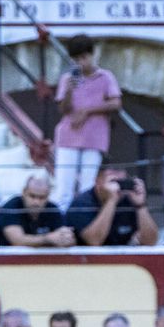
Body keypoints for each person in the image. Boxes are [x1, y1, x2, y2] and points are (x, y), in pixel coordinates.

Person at [53, 34, 121, 204]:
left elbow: (116, 103)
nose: (80, 63)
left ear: (92, 55)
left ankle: (84, 225)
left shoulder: (105, 77)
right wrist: (68, 91)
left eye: (84, 57)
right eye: (76, 59)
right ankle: (63, 226)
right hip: (68, 137)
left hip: (94, 138)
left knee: (87, 187)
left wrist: (88, 111)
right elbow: (63, 109)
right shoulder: (68, 78)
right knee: (64, 188)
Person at [66, 165, 158, 247]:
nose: (117, 187)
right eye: (113, 182)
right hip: (86, 262)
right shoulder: (82, 203)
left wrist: (140, 206)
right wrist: (111, 201)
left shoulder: (128, 201)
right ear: (97, 182)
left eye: (121, 182)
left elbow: (150, 242)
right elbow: (94, 241)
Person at [0, 173, 74, 248]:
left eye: (41, 197)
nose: (36, 202)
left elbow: (69, 239)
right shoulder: (11, 207)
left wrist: (66, 238)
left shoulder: (52, 209)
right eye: (32, 196)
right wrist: (48, 238)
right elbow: (18, 241)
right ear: (24, 192)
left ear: (48, 195)